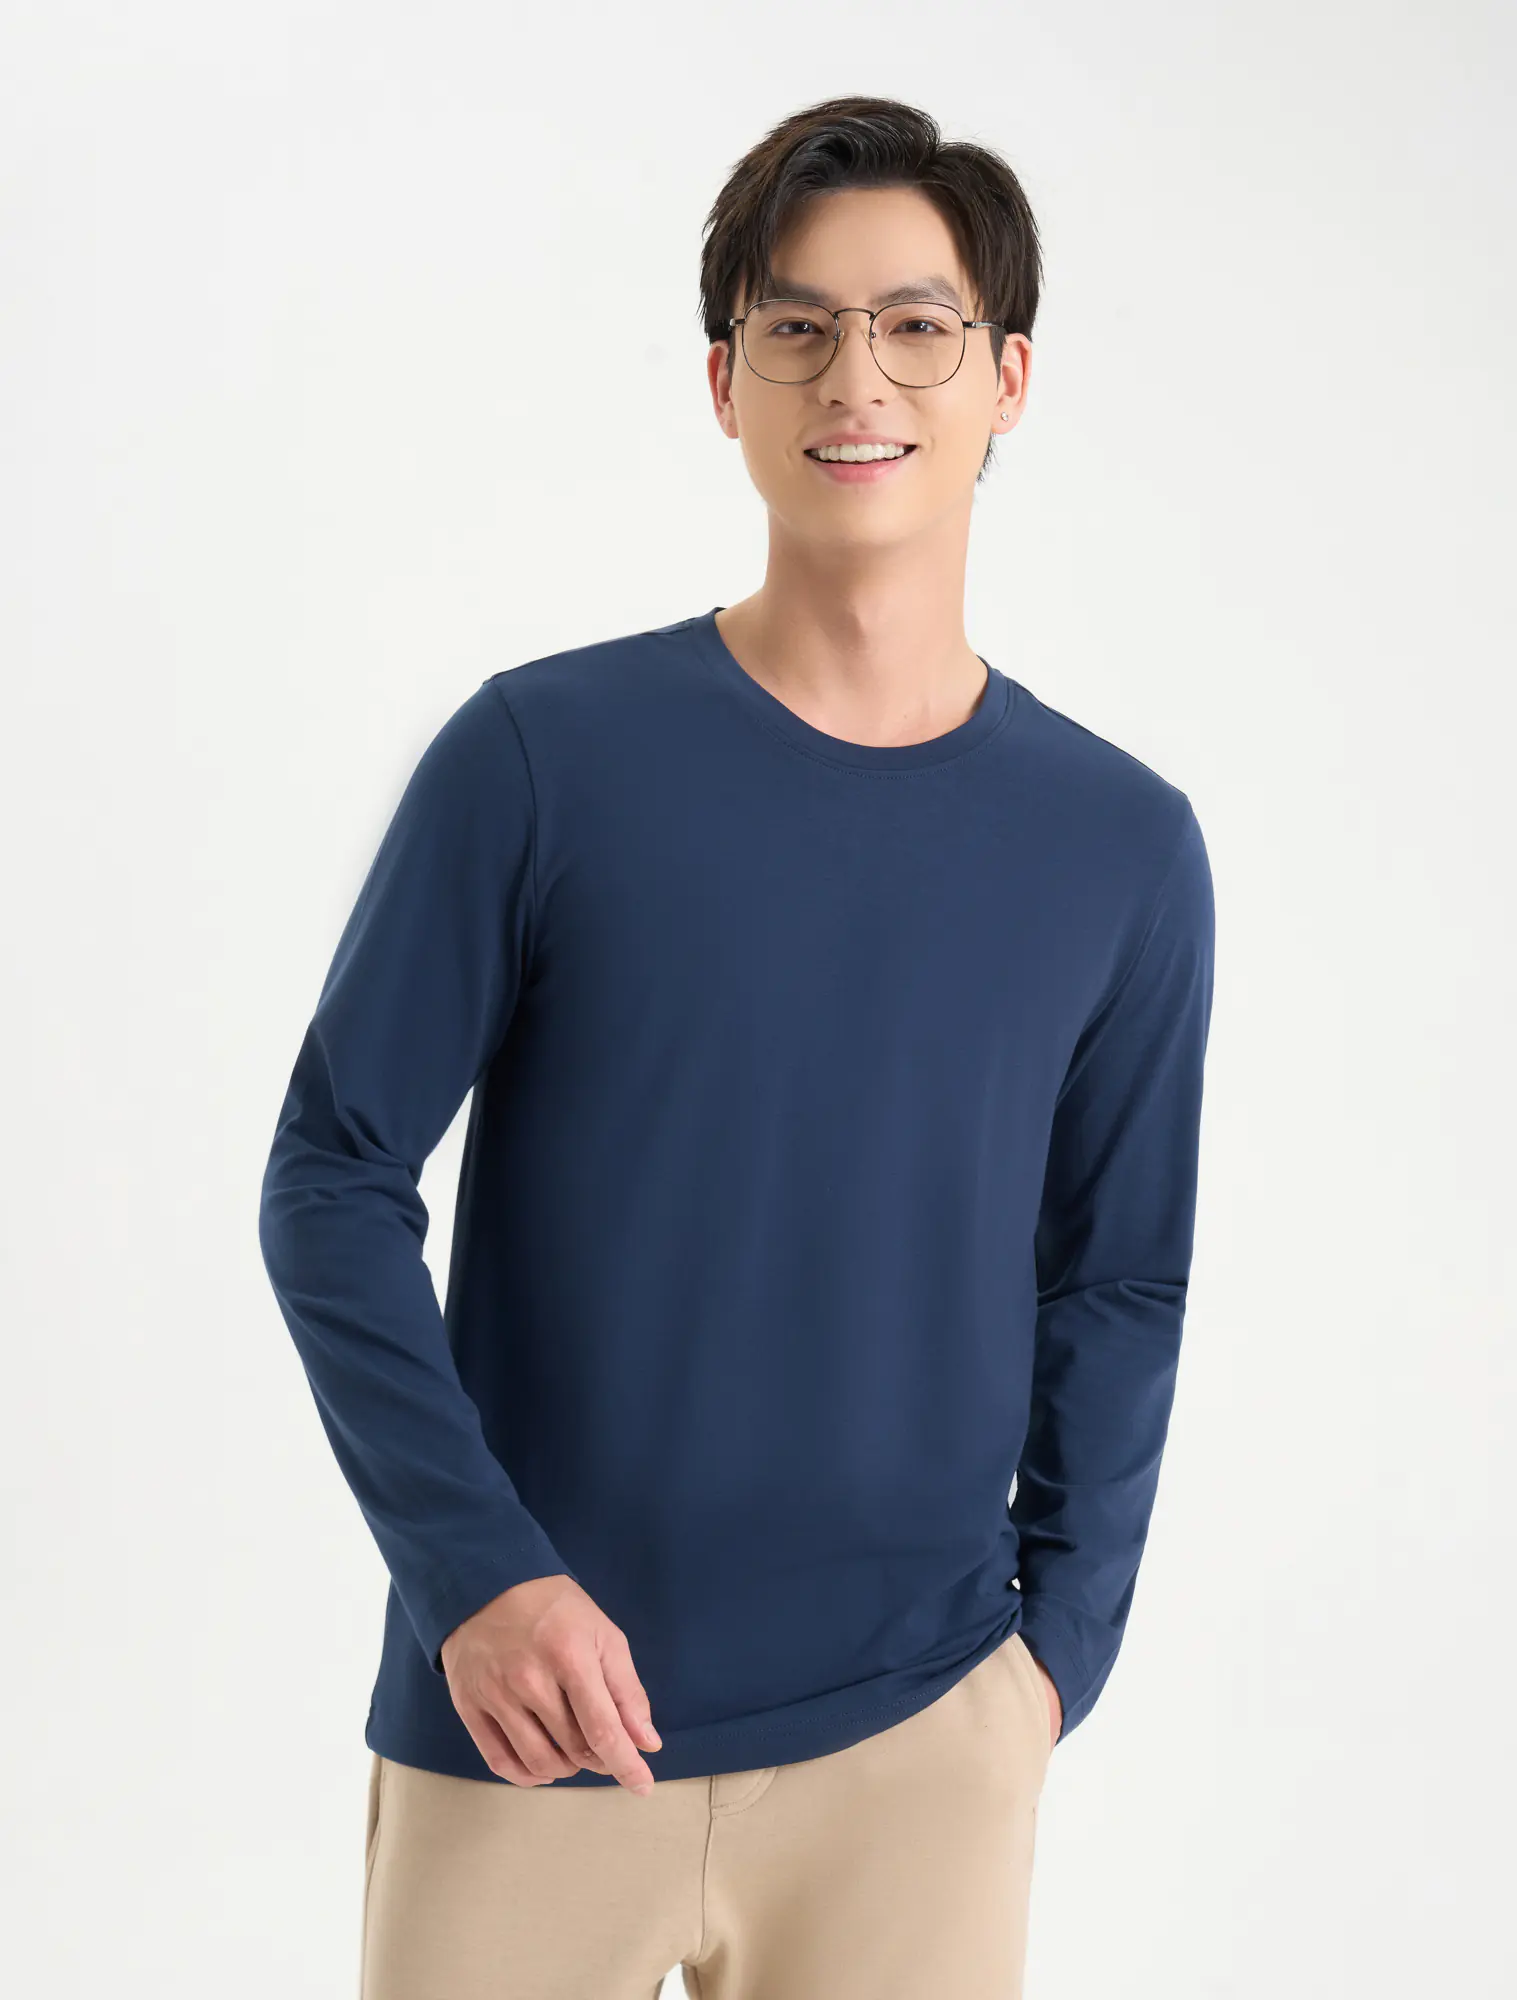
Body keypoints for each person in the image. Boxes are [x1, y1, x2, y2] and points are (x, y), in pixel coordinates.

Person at [259, 92, 1216, 2000]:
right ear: (725, 380)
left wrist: (1052, 1665)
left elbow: (1119, 1279)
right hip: (532, 1722)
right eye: (798, 326)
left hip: (918, 1744)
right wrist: (475, 1571)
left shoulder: (1121, 845)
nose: (857, 377)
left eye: (919, 325)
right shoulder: (542, 760)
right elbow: (334, 1175)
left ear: (1009, 379)